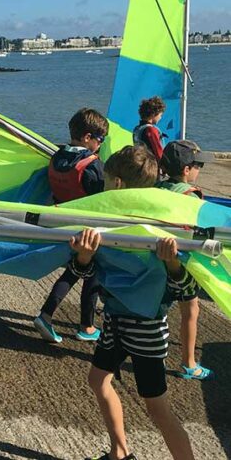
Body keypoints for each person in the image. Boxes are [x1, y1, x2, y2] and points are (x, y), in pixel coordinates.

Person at [71, 145, 196, 460]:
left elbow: (186, 287)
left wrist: (173, 264)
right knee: (98, 380)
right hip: (114, 320)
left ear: (115, 185)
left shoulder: (157, 229)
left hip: (147, 328)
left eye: (105, 179)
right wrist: (84, 255)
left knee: (157, 407)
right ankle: (119, 452)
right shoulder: (104, 225)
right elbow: (79, 270)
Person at [34, 108, 108, 343]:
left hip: (61, 226)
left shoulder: (56, 157)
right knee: (90, 274)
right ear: (87, 137)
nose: (101, 144)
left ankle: (50, 315)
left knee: (76, 271)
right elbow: (102, 200)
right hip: (86, 230)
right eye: (100, 139)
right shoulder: (91, 165)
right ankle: (85, 326)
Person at [155, 140, 215, 381]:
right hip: (180, 265)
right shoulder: (191, 197)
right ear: (186, 170)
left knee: (157, 308)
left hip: (156, 258)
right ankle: (188, 363)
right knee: (191, 309)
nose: (200, 169)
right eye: (197, 165)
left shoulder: (156, 189)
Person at [133, 96, 166, 161]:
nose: (160, 118)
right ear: (153, 114)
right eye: (160, 115)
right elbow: (159, 153)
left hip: (141, 163)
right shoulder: (151, 130)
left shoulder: (137, 129)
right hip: (151, 166)